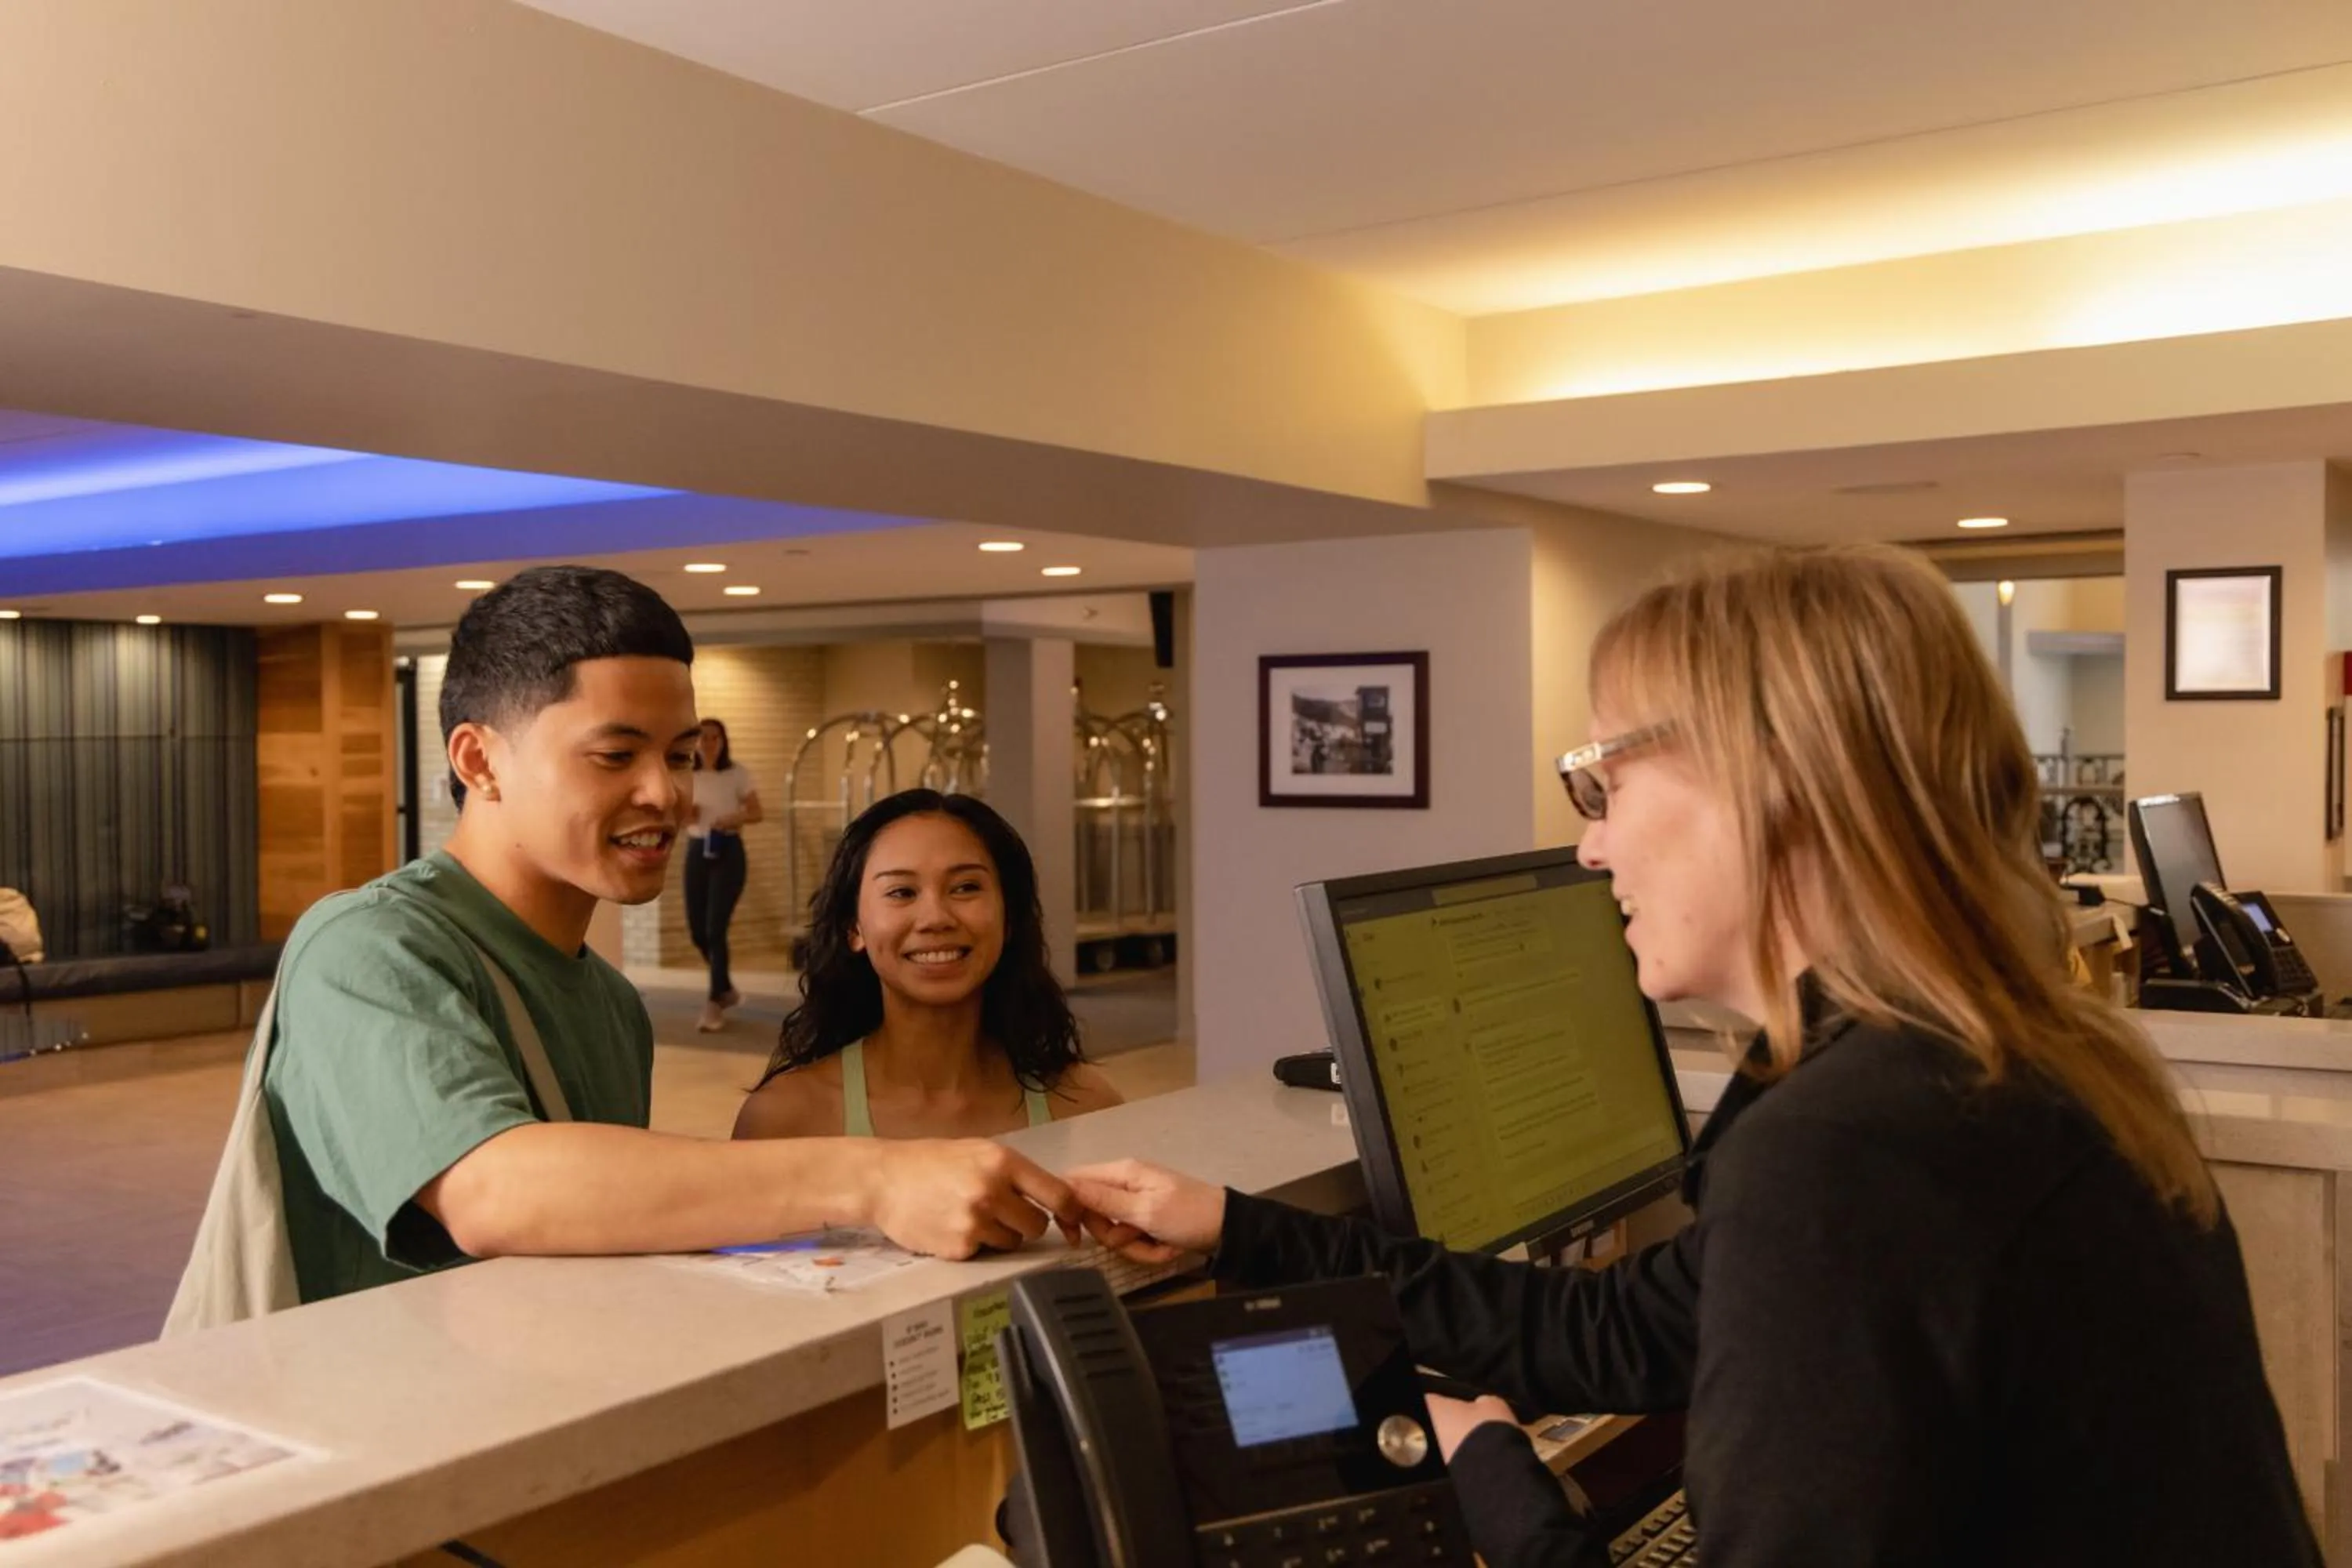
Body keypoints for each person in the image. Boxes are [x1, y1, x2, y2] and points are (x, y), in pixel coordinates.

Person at [1072, 545, 2320, 1567]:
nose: (1590, 848)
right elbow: (1626, 1328)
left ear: (1772, 783)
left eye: (1603, 784)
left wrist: (1497, 1479)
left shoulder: (1855, 1148)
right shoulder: (1996, 1061)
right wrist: (1244, 1231)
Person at [173, 566, 1083, 1322]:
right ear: (479, 760)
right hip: (350, 1451)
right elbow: (495, 1191)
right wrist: (874, 1174)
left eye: (680, 754)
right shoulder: (368, 946)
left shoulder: (610, 1002)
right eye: (616, 756)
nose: (666, 792)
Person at [734, 789, 1121, 1142]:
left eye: (966, 887)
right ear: (854, 927)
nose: (935, 918)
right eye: (901, 892)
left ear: (1008, 918)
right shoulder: (786, 1120)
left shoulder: (1083, 1104)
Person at [685, 717, 761, 1033]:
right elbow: (673, 815)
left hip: (728, 851)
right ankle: (725, 987)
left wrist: (735, 817)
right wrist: (685, 814)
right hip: (697, 850)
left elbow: (757, 812)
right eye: (702, 737)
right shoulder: (686, 775)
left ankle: (714, 1003)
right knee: (698, 932)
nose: (708, 743)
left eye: (714, 738)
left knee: (715, 928)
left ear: (723, 741)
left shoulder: (737, 773)